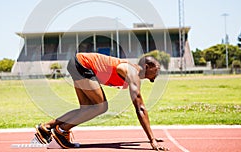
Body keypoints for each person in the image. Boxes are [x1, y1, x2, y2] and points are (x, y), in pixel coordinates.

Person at [35, 52, 168, 151]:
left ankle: (46, 127)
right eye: (157, 68)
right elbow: (140, 108)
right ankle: (62, 130)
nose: (159, 71)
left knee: (86, 109)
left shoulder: (132, 71)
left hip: (78, 63)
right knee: (101, 107)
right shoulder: (132, 72)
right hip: (82, 64)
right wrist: (152, 140)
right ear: (147, 66)